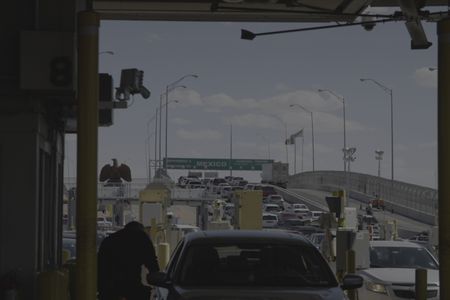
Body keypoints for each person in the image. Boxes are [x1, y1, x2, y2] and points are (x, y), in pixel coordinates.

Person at [98, 221, 159, 300]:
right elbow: (153, 265)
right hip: (131, 288)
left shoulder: (109, 240)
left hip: (107, 289)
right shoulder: (142, 238)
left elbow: (99, 266)